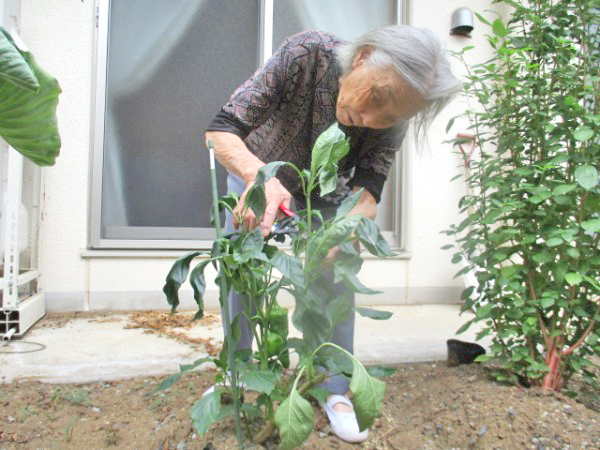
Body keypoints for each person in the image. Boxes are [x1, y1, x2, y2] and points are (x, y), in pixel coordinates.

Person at [205, 25, 461, 443]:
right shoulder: (306, 53)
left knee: (334, 282)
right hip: (256, 175)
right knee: (242, 276)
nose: (374, 120)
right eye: (377, 98)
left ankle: (335, 387)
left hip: (327, 198)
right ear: (363, 57)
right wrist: (259, 176)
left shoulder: (390, 116)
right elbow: (220, 131)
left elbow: (368, 191)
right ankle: (239, 371)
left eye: (392, 116)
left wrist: (343, 232)